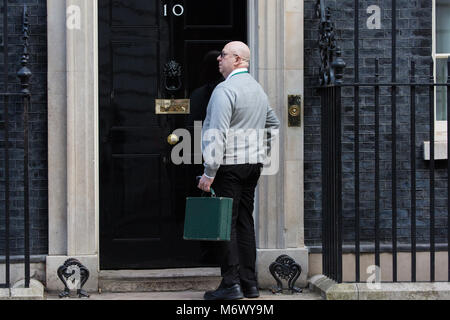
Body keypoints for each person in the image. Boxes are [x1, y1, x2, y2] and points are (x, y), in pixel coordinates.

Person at [197, 41, 280, 300]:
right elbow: (273, 123)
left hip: (228, 167)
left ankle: (230, 284)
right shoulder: (257, 90)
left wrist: (209, 172)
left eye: (223, 55)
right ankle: (250, 284)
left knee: (227, 226)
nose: (218, 59)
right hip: (251, 166)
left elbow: (217, 133)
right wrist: (260, 152)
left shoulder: (225, 90)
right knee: (245, 222)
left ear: (237, 59)